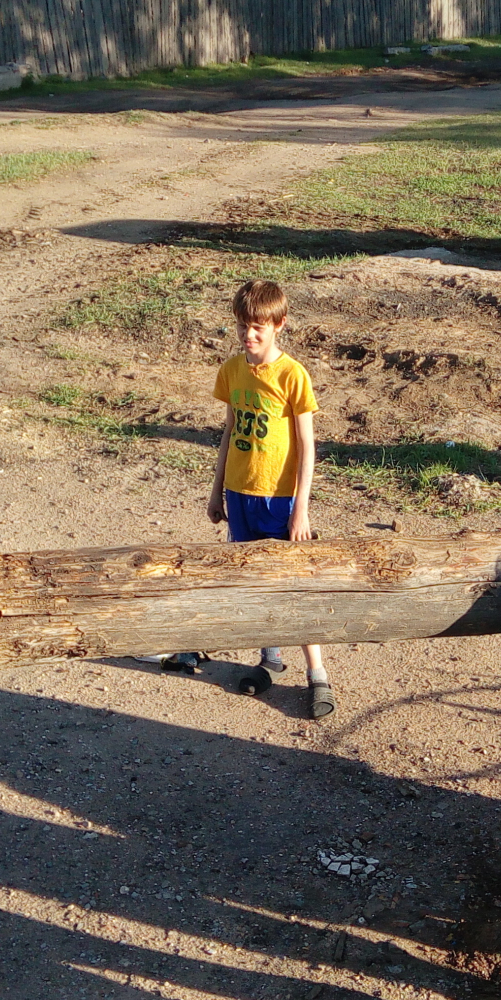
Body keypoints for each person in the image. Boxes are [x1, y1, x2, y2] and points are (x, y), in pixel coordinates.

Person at [207, 279, 333, 717]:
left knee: (293, 585)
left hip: (280, 500)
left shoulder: (292, 375)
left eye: (258, 326)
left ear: (279, 324)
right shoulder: (232, 370)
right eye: (243, 326)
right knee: (255, 581)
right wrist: (216, 490)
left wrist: (301, 508)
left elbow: (307, 446)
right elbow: (229, 431)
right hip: (240, 494)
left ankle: (317, 673)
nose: (249, 335)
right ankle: (270, 658)